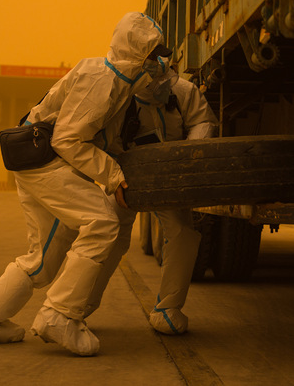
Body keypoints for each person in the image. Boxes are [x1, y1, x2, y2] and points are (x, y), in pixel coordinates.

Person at [0, 12, 171, 356]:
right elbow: (67, 140)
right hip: (46, 162)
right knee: (101, 222)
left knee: (43, 260)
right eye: (155, 55)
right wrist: (114, 178)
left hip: (40, 164)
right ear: (137, 53)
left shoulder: (119, 85)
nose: (159, 63)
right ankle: (59, 316)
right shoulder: (102, 78)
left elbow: (100, 140)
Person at [82, 60, 218, 335]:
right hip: (126, 177)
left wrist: (187, 158)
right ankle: (77, 306)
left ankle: (168, 308)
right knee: (108, 233)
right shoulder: (119, 97)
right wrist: (113, 177)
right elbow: (101, 140)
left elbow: (203, 121)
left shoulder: (183, 92)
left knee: (181, 233)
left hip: (171, 178)